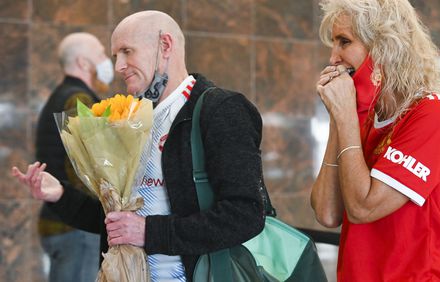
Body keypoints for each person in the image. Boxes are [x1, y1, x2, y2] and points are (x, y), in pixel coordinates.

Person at [13, 10, 265, 282]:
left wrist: (149, 232)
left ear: (165, 46)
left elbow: (246, 214)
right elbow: (117, 225)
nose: (119, 66)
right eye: (115, 56)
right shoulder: (134, 119)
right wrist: (60, 195)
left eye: (127, 51)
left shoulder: (220, 109)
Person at [310, 0, 440, 281]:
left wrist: (345, 114)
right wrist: (339, 116)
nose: (333, 57)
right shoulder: (364, 116)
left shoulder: (433, 115)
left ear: (382, 47)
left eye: (344, 42)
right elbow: (326, 212)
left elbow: (363, 207)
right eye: (333, 43)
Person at [34, 32, 114, 282]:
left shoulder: (60, 95)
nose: (107, 60)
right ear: (83, 63)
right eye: (101, 54)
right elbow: (86, 166)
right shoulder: (78, 99)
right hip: (75, 227)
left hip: (59, 222)